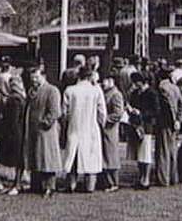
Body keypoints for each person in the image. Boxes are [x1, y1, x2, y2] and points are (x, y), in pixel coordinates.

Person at [63, 65, 106, 193]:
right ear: (90, 76)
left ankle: (71, 184)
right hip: (91, 128)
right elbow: (102, 112)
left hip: (74, 127)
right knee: (91, 157)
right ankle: (90, 186)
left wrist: (66, 124)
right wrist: (101, 125)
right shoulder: (96, 91)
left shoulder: (70, 90)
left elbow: (64, 113)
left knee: (73, 156)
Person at [23, 67, 63, 198]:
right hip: (34, 130)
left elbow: (55, 111)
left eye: (36, 77)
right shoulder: (32, 91)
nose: (34, 80)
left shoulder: (52, 90)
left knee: (47, 158)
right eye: (32, 78)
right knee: (36, 157)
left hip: (46, 130)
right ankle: (36, 185)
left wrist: (46, 122)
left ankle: (50, 186)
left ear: (43, 76)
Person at [127, 72, 159, 189]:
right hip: (136, 125)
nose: (135, 85)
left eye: (137, 82)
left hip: (146, 126)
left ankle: (146, 179)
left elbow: (156, 110)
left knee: (145, 154)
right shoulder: (135, 93)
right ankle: (141, 177)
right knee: (139, 154)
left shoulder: (151, 93)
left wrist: (141, 113)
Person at [155, 69, 182, 186]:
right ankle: (173, 177)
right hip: (174, 124)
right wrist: (178, 120)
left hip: (164, 123)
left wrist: (173, 120)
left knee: (163, 151)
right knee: (172, 150)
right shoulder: (175, 88)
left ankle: (163, 178)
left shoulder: (162, 88)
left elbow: (168, 107)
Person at [0, 77, 28, 196]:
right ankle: (18, 182)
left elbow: (12, 119)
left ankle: (15, 184)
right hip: (21, 130)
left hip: (14, 132)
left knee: (16, 159)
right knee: (19, 159)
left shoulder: (13, 100)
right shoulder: (22, 97)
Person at [100, 73, 124, 192]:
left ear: (111, 81)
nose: (102, 83)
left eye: (104, 81)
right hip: (104, 129)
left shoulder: (116, 95)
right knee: (105, 155)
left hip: (110, 130)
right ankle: (106, 181)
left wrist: (105, 120)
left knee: (111, 156)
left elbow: (118, 113)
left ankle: (114, 182)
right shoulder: (105, 93)